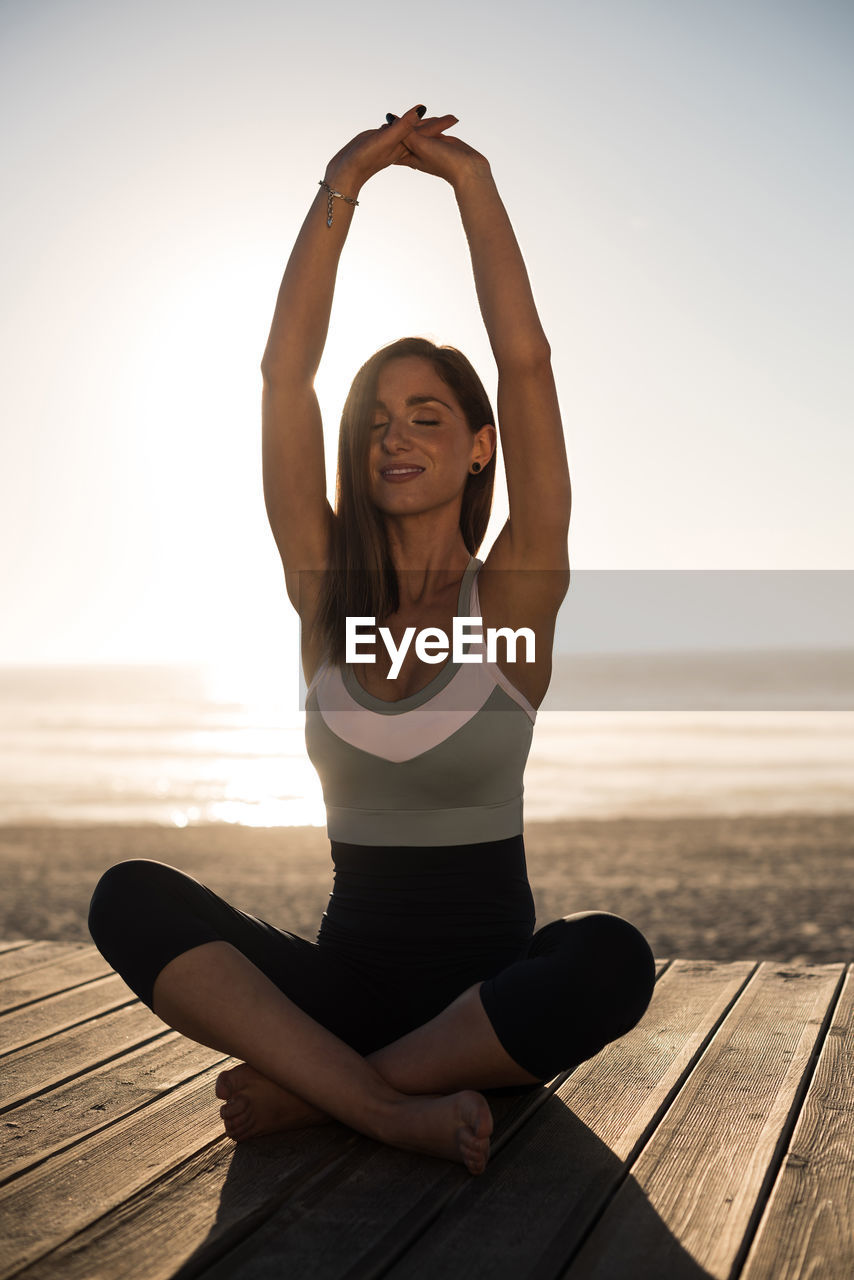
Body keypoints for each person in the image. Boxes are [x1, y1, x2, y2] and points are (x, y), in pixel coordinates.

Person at [89, 106, 655, 1176]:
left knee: (612, 959)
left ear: (479, 445)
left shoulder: (515, 595)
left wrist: (469, 184)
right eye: (377, 420)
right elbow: (282, 380)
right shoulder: (325, 599)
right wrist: (338, 187)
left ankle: (339, 1088)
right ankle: (384, 1099)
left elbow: (525, 364)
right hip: (338, 991)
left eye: (427, 415)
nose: (394, 434)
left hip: (482, 1007)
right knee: (127, 892)